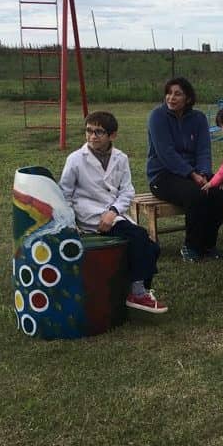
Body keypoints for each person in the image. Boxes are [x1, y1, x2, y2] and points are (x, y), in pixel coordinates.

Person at [60, 111, 167, 313]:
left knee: (152, 248)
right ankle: (138, 293)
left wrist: (113, 211)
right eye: (89, 131)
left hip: (113, 214)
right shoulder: (75, 159)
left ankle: (139, 289)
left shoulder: (121, 158)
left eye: (99, 132)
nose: (92, 136)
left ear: (112, 135)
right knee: (139, 235)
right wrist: (71, 225)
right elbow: (64, 194)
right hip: (89, 216)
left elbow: (127, 190)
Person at [146, 77, 223, 262]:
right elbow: (165, 153)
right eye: (168, 93)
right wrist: (191, 174)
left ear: (188, 98)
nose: (171, 98)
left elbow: (203, 149)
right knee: (196, 194)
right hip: (163, 175)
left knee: (221, 191)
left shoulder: (198, 118)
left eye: (177, 94)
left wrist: (202, 172)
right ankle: (191, 246)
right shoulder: (157, 117)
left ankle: (209, 245)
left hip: (195, 172)